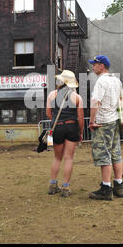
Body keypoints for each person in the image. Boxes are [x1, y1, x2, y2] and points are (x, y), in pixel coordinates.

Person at [88, 55, 123, 201]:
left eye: (94, 64)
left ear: (101, 66)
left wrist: (91, 121)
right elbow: (121, 100)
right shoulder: (116, 80)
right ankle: (119, 185)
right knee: (116, 152)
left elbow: (95, 101)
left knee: (103, 154)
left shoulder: (101, 81)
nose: (92, 67)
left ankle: (106, 188)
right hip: (115, 121)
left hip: (103, 122)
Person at [46, 70, 84, 198]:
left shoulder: (52, 94)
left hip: (57, 128)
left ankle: (52, 185)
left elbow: (48, 114)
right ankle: (65, 187)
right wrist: (81, 131)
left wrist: (57, 120)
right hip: (71, 127)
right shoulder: (77, 97)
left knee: (57, 158)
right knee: (69, 158)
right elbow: (80, 118)